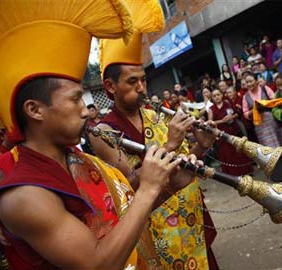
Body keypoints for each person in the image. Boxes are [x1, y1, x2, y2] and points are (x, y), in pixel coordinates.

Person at [0, 1, 186, 269]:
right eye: (75, 100)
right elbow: (97, 264)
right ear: (34, 110)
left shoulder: (80, 161)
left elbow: (124, 219)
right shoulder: (24, 196)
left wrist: (168, 182)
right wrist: (149, 188)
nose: (85, 111)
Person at [89, 1, 219, 269]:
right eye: (132, 82)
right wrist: (171, 142)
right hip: (155, 233)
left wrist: (200, 148)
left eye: (143, 79)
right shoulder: (103, 132)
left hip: (189, 220)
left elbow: (180, 168)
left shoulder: (155, 115)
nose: (141, 88)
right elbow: (130, 188)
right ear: (109, 86)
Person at [208, 89, 253, 176]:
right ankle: (232, 174)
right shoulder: (211, 109)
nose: (217, 97)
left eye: (218, 94)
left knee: (238, 151)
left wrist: (231, 117)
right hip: (221, 134)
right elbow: (210, 122)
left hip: (233, 130)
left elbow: (236, 114)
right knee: (227, 154)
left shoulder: (227, 104)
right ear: (212, 98)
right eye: (214, 96)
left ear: (221, 95)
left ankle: (245, 171)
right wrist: (222, 121)